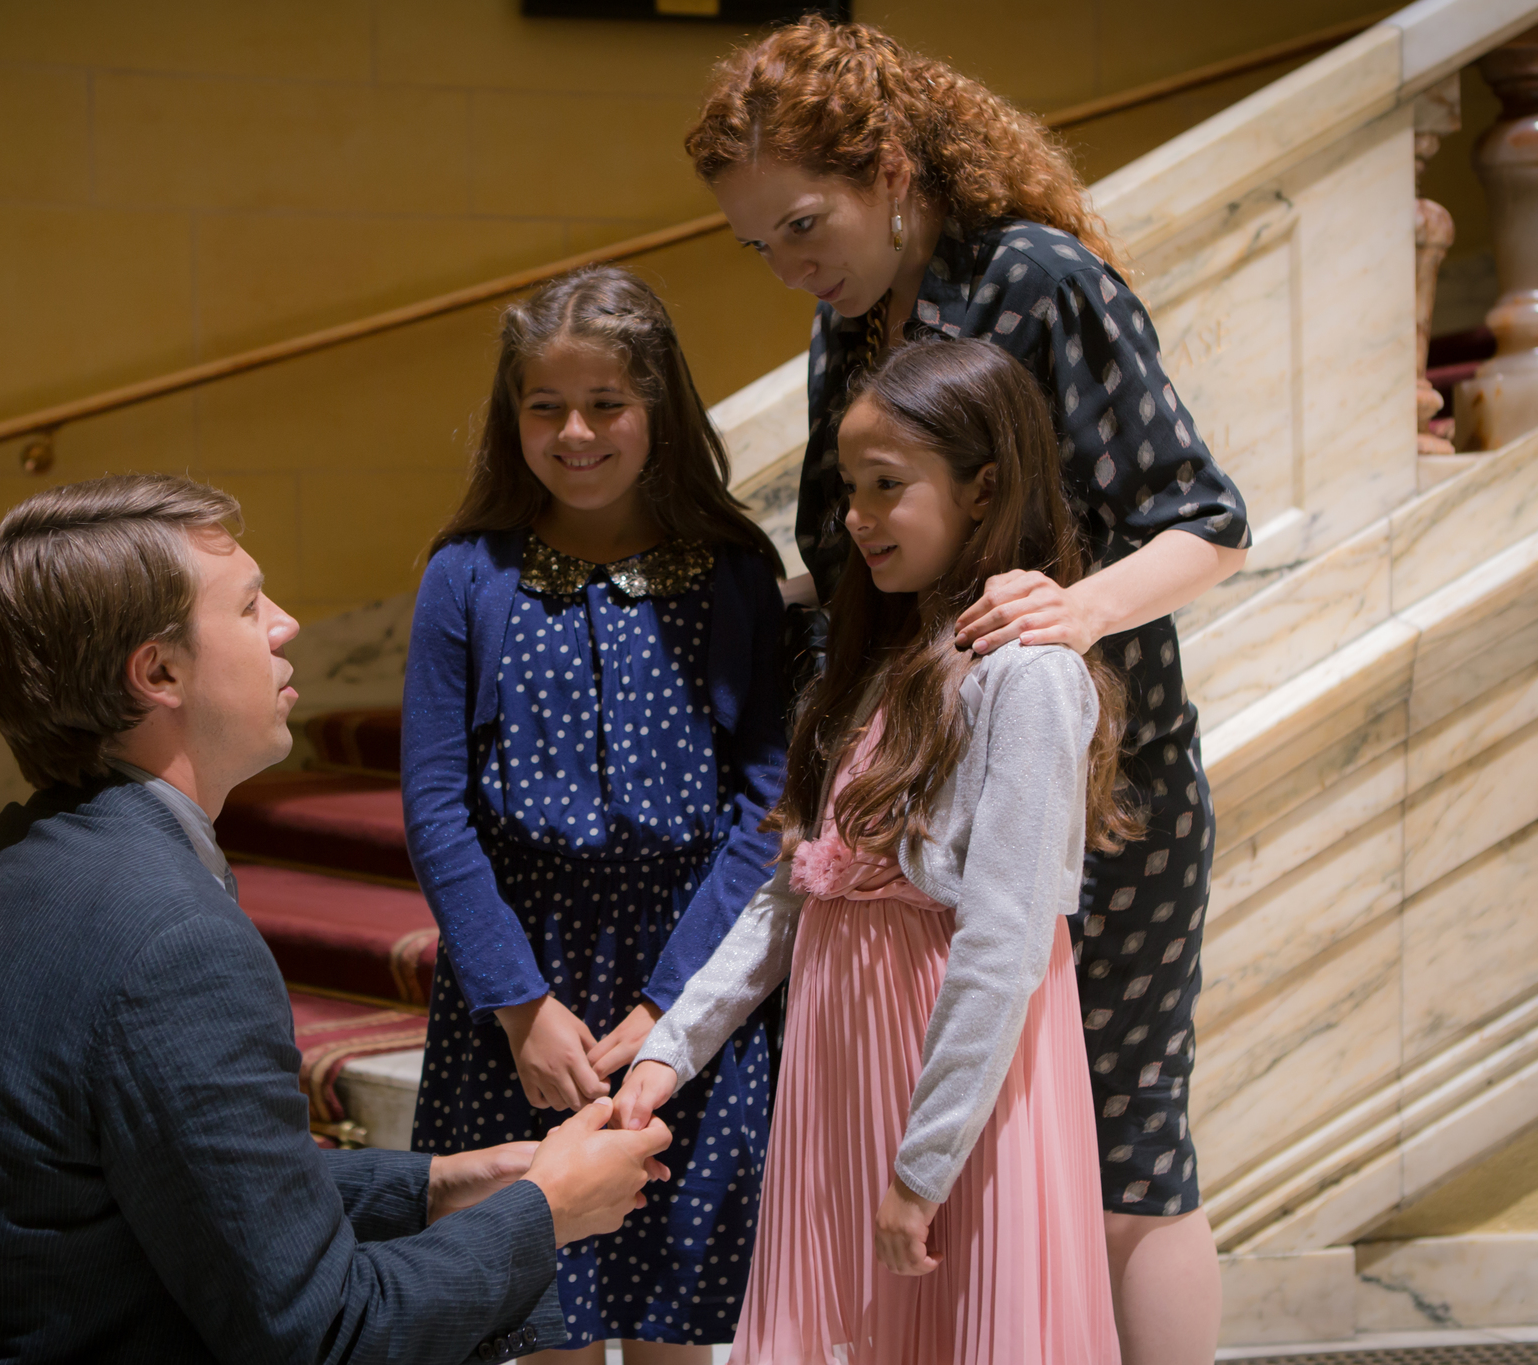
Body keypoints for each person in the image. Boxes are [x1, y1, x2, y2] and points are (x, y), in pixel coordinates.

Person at [681, 20, 1251, 1361]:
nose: (789, 267)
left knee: (1125, 1148)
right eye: (757, 246)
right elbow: (857, 569)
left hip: (1100, 794)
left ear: (890, 167)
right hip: (926, 808)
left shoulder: (1040, 279)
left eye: (805, 224)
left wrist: (1075, 609)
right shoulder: (849, 328)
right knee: (954, 1166)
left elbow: (1206, 521)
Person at [0, 473, 676, 1365]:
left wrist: (437, 1185)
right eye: (249, 608)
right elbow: (325, 1337)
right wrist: (546, 1212)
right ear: (159, 671)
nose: (285, 624)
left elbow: (165, 1178)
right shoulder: (173, 940)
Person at [619, 338, 1136, 1363]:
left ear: (982, 488)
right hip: (841, 1070)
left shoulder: (1023, 676)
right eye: (849, 488)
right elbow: (795, 891)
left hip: (940, 1094)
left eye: (886, 488)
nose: (854, 520)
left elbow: (1002, 940)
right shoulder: (885, 658)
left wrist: (924, 1165)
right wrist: (670, 1047)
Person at [402, 266, 789, 1363]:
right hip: (519, 978)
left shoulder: (732, 573)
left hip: (688, 973)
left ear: (657, 409)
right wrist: (519, 1006)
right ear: (509, 417)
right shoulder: (466, 574)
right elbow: (434, 806)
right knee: (543, 1316)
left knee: (678, 1308)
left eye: (605, 404)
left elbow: (762, 801)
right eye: (544, 407)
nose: (575, 432)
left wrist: (674, 1004)